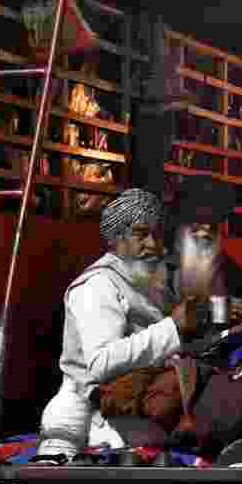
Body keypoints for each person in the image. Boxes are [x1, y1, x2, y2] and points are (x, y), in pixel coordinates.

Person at [37, 188, 208, 459]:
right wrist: (173, 328)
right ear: (116, 240)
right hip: (94, 412)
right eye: (141, 235)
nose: (153, 244)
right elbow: (101, 363)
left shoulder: (146, 281)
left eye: (157, 235)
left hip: (140, 405)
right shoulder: (98, 285)